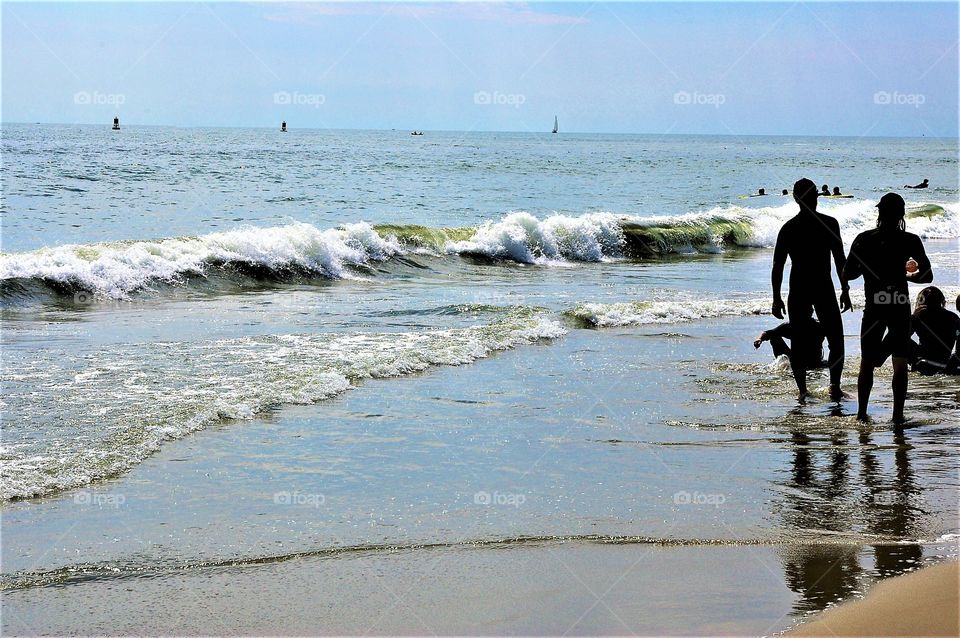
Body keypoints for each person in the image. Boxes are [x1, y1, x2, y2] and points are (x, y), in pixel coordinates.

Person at [842, 192, 933, 424]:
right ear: (902, 214)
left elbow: (847, 273)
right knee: (900, 363)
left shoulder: (863, 239)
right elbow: (926, 275)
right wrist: (905, 275)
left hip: (874, 305)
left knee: (866, 362)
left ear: (879, 213)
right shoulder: (910, 240)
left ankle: (862, 414)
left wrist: (867, 266)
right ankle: (897, 416)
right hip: (899, 304)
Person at [772, 177, 850, 401]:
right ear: (798, 198)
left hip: (801, 287)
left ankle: (808, 390)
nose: (813, 198)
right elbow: (840, 261)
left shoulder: (790, 228)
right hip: (819, 287)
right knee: (834, 340)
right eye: (810, 194)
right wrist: (775, 298)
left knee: (803, 341)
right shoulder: (826, 223)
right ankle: (827, 387)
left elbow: (839, 261)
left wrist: (777, 297)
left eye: (813, 193)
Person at [909, 286, 960, 375]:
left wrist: (913, 318)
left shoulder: (920, 317)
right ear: (941, 301)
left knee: (897, 338)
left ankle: (905, 366)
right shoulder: (953, 317)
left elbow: (903, 335)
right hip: (945, 359)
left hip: (923, 359)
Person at [754, 310, 827, 370]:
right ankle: (782, 364)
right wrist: (759, 339)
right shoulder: (790, 326)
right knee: (774, 337)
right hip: (795, 359)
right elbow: (768, 333)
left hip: (814, 360)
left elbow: (835, 337)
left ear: (811, 311)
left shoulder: (819, 326)